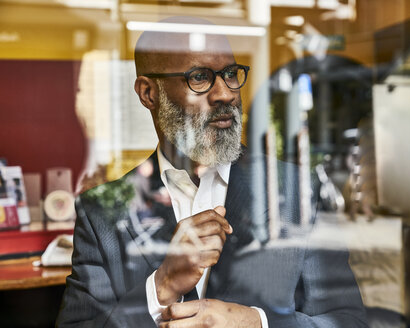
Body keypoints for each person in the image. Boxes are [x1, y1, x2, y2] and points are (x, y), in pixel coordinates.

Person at [57, 17, 367, 328]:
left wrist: (258, 324)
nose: (226, 94)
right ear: (148, 93)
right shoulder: (101, 213)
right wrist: (160, 288)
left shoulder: (300, 190)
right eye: (200, 77)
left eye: (231, 75)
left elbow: (348, 322)